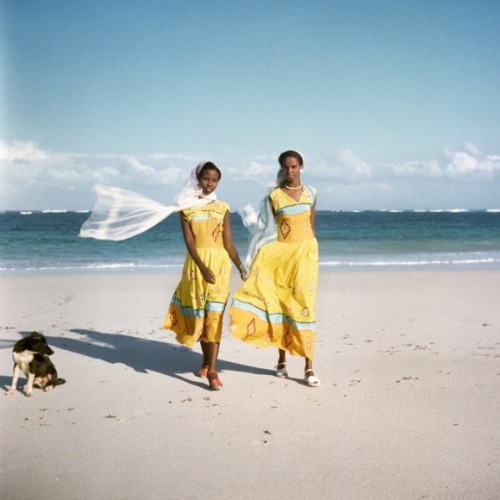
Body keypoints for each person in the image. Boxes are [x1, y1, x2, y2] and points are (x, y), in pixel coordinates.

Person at [229, 150, 320, 387]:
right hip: (280, 257)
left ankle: (309, 367)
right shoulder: (275, 196)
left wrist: (312, 254)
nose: (289, 171)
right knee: (281, 306)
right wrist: (257, 259)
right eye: (285, 167)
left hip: (306, 256)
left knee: (306, 306)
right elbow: (268, 232)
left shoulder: (312, 193)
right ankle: (281, 361)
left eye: (293, 166)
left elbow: (311, 226)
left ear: (301, 166)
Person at [163, 161, 243, 390]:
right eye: (206, 179)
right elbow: (189, 242)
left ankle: (213, 371)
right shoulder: (186, 207)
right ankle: (207, 360)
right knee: (200, 316)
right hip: (196, 267)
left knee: (215, 316)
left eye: (214, 180)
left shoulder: (223, 207)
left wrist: (240, 266)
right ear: (198, 179)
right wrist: (201, 266)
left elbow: (228, 243)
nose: (209, 184)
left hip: (220, 267)